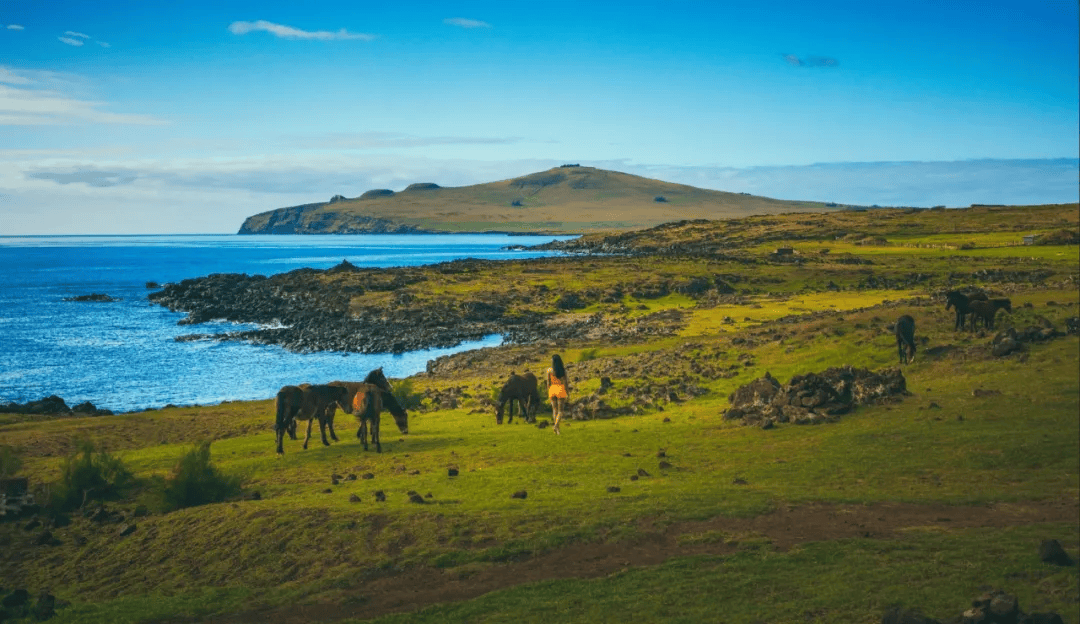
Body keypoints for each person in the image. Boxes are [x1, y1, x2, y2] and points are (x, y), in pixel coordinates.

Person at [546, 354, 570, 435]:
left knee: (554, 410)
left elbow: (548, 383)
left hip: (552, 390)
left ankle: (557, 430)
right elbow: (565, 383)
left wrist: (548, 391)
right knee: (560, 411)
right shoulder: (563, 371)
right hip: (560, 390)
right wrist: (568, 393)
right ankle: (556, 426)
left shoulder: (549, 370)